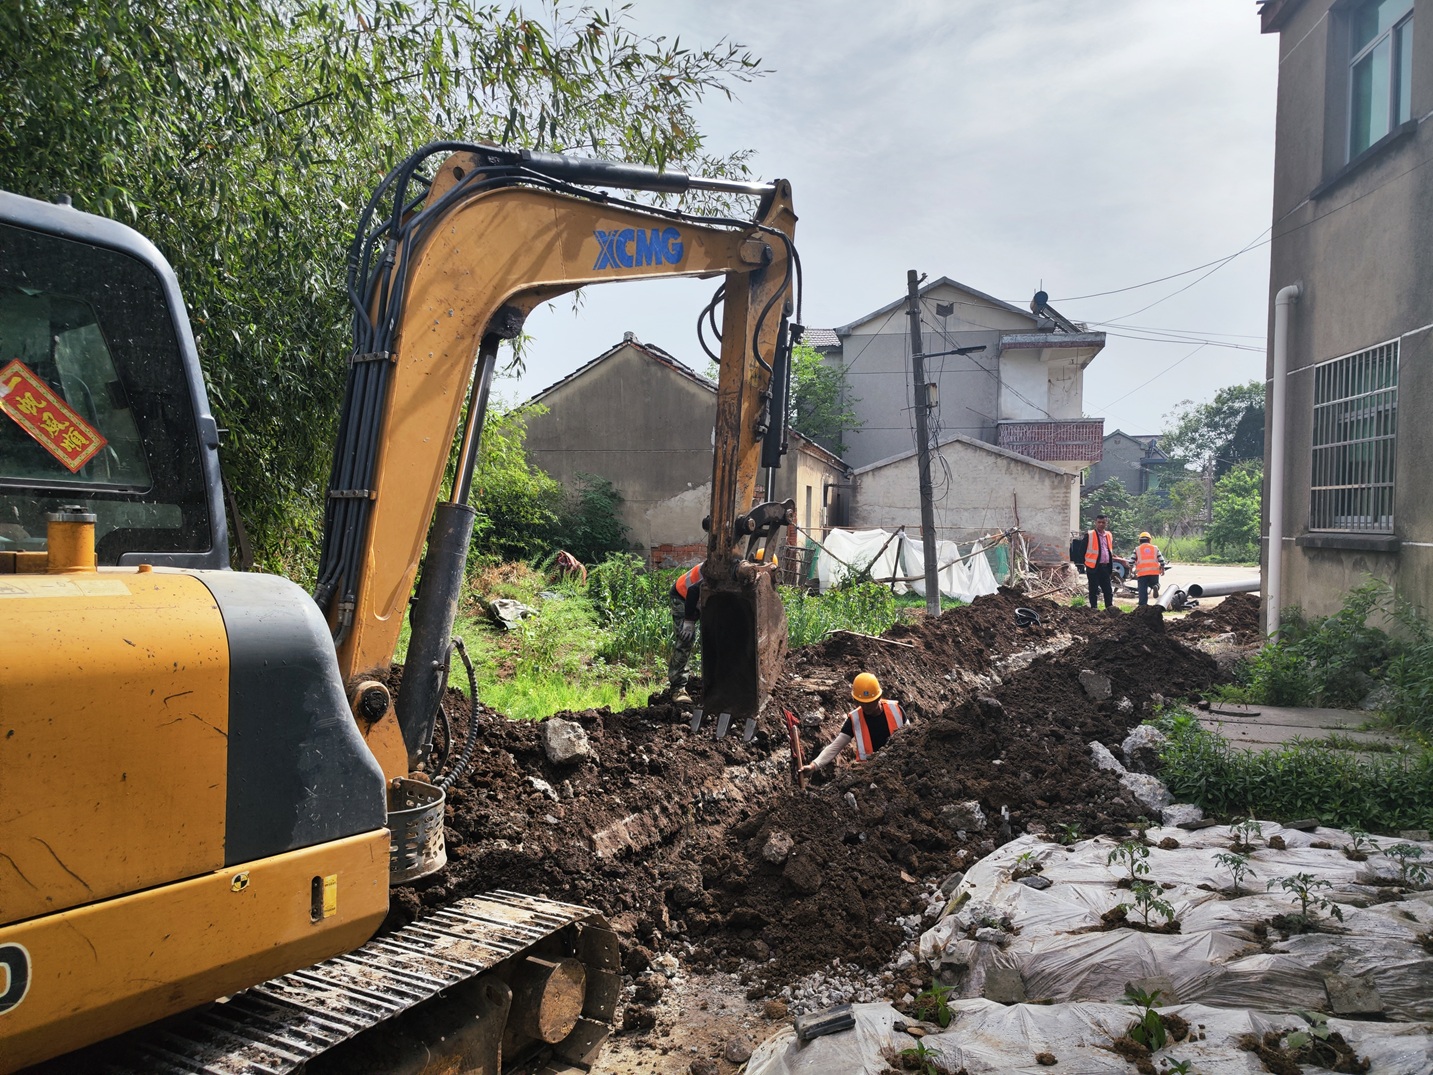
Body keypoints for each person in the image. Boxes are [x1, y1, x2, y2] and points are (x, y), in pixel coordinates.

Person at [802, 672, 906, 774]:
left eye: (869, 703)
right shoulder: (855, 719)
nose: (865, 707)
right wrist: (814, 765)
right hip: (870, 774)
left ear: (878, 698)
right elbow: (835, 746)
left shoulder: (896, 710)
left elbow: (913, 735)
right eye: (861, 703)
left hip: (900, 769)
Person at [668, 560, 703, 704]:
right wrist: (689, 621)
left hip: (700, 599)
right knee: (686, 639)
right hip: (682, 595)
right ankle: (678, 688)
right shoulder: (721, 570)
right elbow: (693, 590)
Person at [1082, 514, 1127, 610]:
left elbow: (1108, 549)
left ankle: (1109, 608)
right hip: (1093, 567)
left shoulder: (1109, 535)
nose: (1101, 524)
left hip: (1106, 567)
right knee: (1093, 589)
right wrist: (1086, 564)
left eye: (1103, 522)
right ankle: (1094, 608)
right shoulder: (1090, 535)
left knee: (1107, 589)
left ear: (1106, 523)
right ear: (1095, 523)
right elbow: (1081, 551)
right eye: (1099, 522)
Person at [1132, 531, 1167, 607]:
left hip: (1142, 574)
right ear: (1150, 540)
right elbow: (1162, 560)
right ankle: (1155, 587)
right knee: (1155, 583)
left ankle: (1142, 606)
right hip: (1154, 572)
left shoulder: (1137, 549)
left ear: (1139, 540)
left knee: (1142, 590)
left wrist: (1131, 569)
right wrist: (1162, 568)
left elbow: (1131, 561)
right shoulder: (1155, 548)